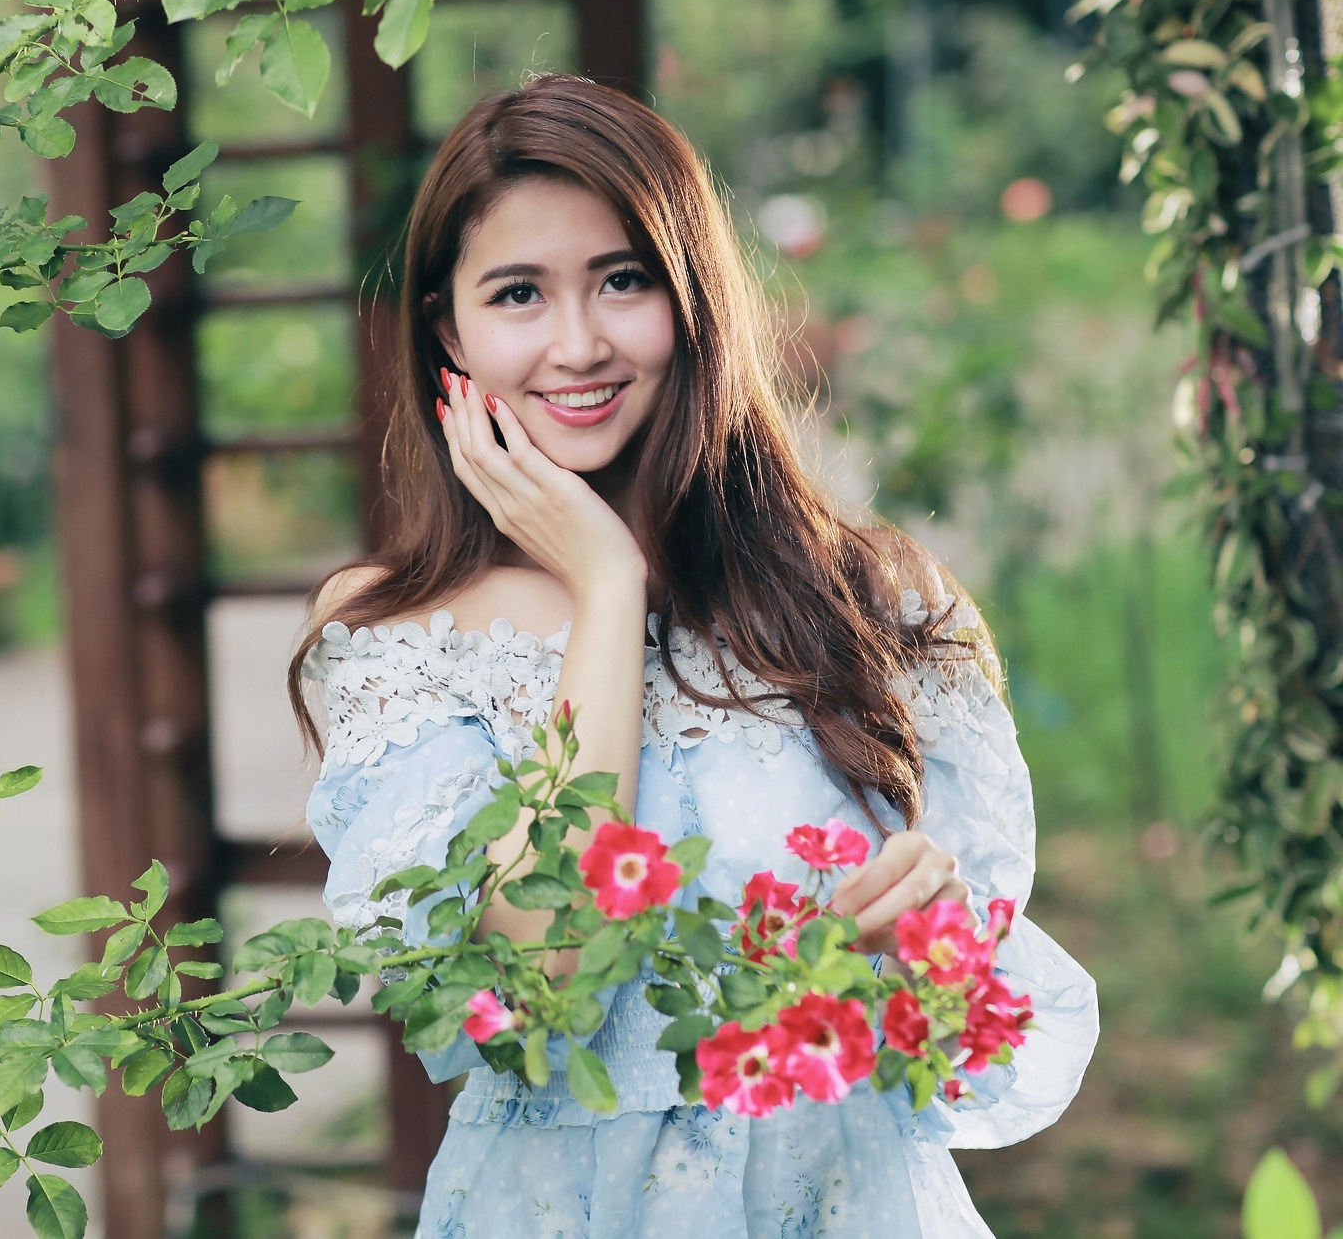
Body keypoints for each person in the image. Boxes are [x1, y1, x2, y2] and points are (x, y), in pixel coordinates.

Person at [289, 74, 1097, 1238]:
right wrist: (605, 589)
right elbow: (534, 991)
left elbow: (975, 1047)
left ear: (693, 297)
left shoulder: (868, 598)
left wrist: (907, 946)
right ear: (446, 333)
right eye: (517, 293)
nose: (577, 344)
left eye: (622, 280)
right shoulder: (398, 635)